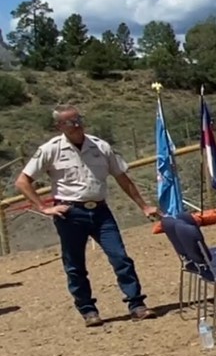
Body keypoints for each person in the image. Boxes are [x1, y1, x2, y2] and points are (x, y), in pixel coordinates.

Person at [15, 105, 159, 327]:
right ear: (59, 126)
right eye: (70, 122)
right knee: (75, 264)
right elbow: (22, 182)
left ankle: (137, 304)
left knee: (120, 257)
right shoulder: (50, 149)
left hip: (100, 211)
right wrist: (44, 208)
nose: (77, 125)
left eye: (79, 119)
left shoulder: (100, 146)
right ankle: (88, 310)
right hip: (70, 213)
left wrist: (144, 206)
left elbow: (122, 178)